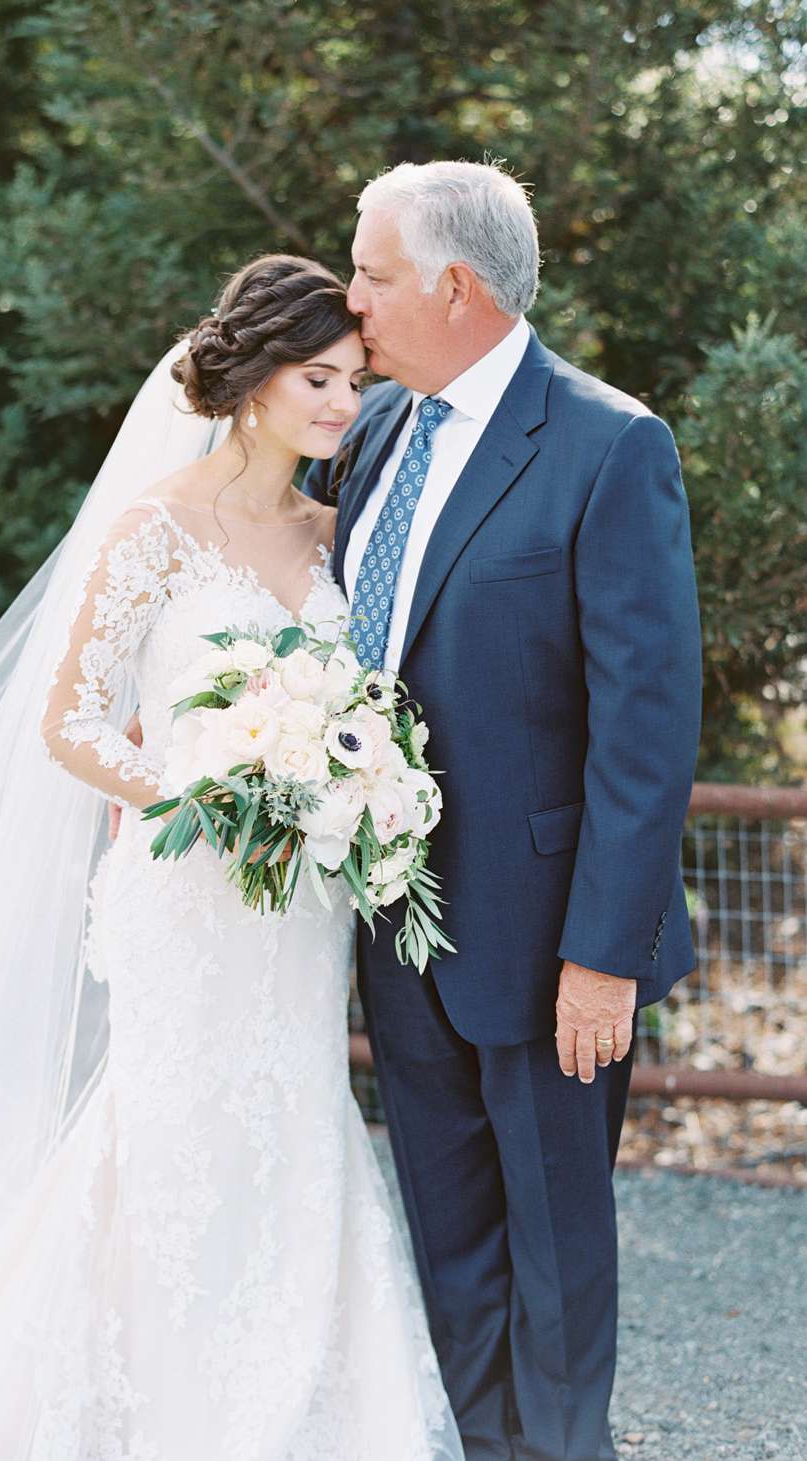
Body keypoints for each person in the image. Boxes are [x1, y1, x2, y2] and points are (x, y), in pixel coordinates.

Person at [0, 253, 464, 1459]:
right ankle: (131, 1400)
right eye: (317, 377)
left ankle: (292, 1404)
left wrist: (339, 789)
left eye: (354, 380)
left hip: (297, 902)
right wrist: (209, 793)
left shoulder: (338, 535)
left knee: (294, 1116)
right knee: (167, 1128)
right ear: (255, 379)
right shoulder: (154, 528)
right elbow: (70, 721)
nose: (341, 405)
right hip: (186, 888)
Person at [303, 161, 704, 1460]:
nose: (348, 296)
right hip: (400, 928)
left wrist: (604, 958)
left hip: (547, 948)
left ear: (453, 285)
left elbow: (647, 732)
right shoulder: (369, 433)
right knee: (455, 1252)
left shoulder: (608, 444)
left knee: (556, 1262)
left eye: (368, 271)